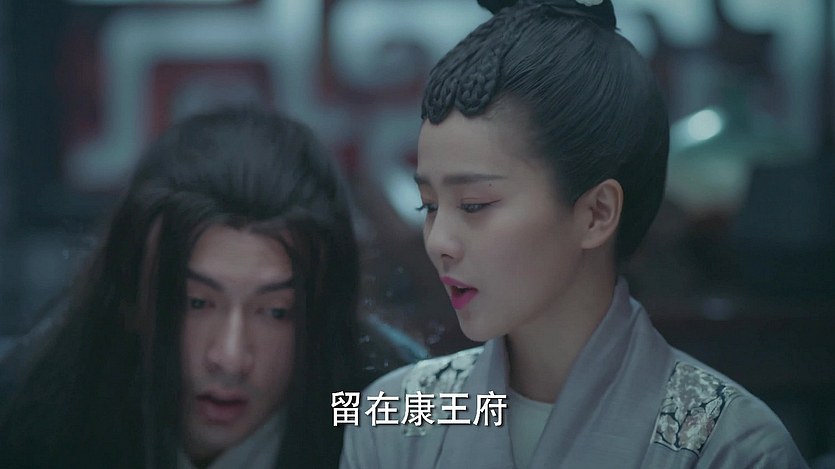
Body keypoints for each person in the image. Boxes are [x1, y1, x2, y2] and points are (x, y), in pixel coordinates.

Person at [340, 0, 808, 468]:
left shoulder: (732, 446)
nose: (438, 241)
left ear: (597, 214)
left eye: (475, 204)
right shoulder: (394, 422)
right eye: (429, 206)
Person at [0, 108, 361, 468]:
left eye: (276, 311)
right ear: (132, 292)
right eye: (196, 303)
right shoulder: (24, 412)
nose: (230, 358)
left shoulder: (379, 425)